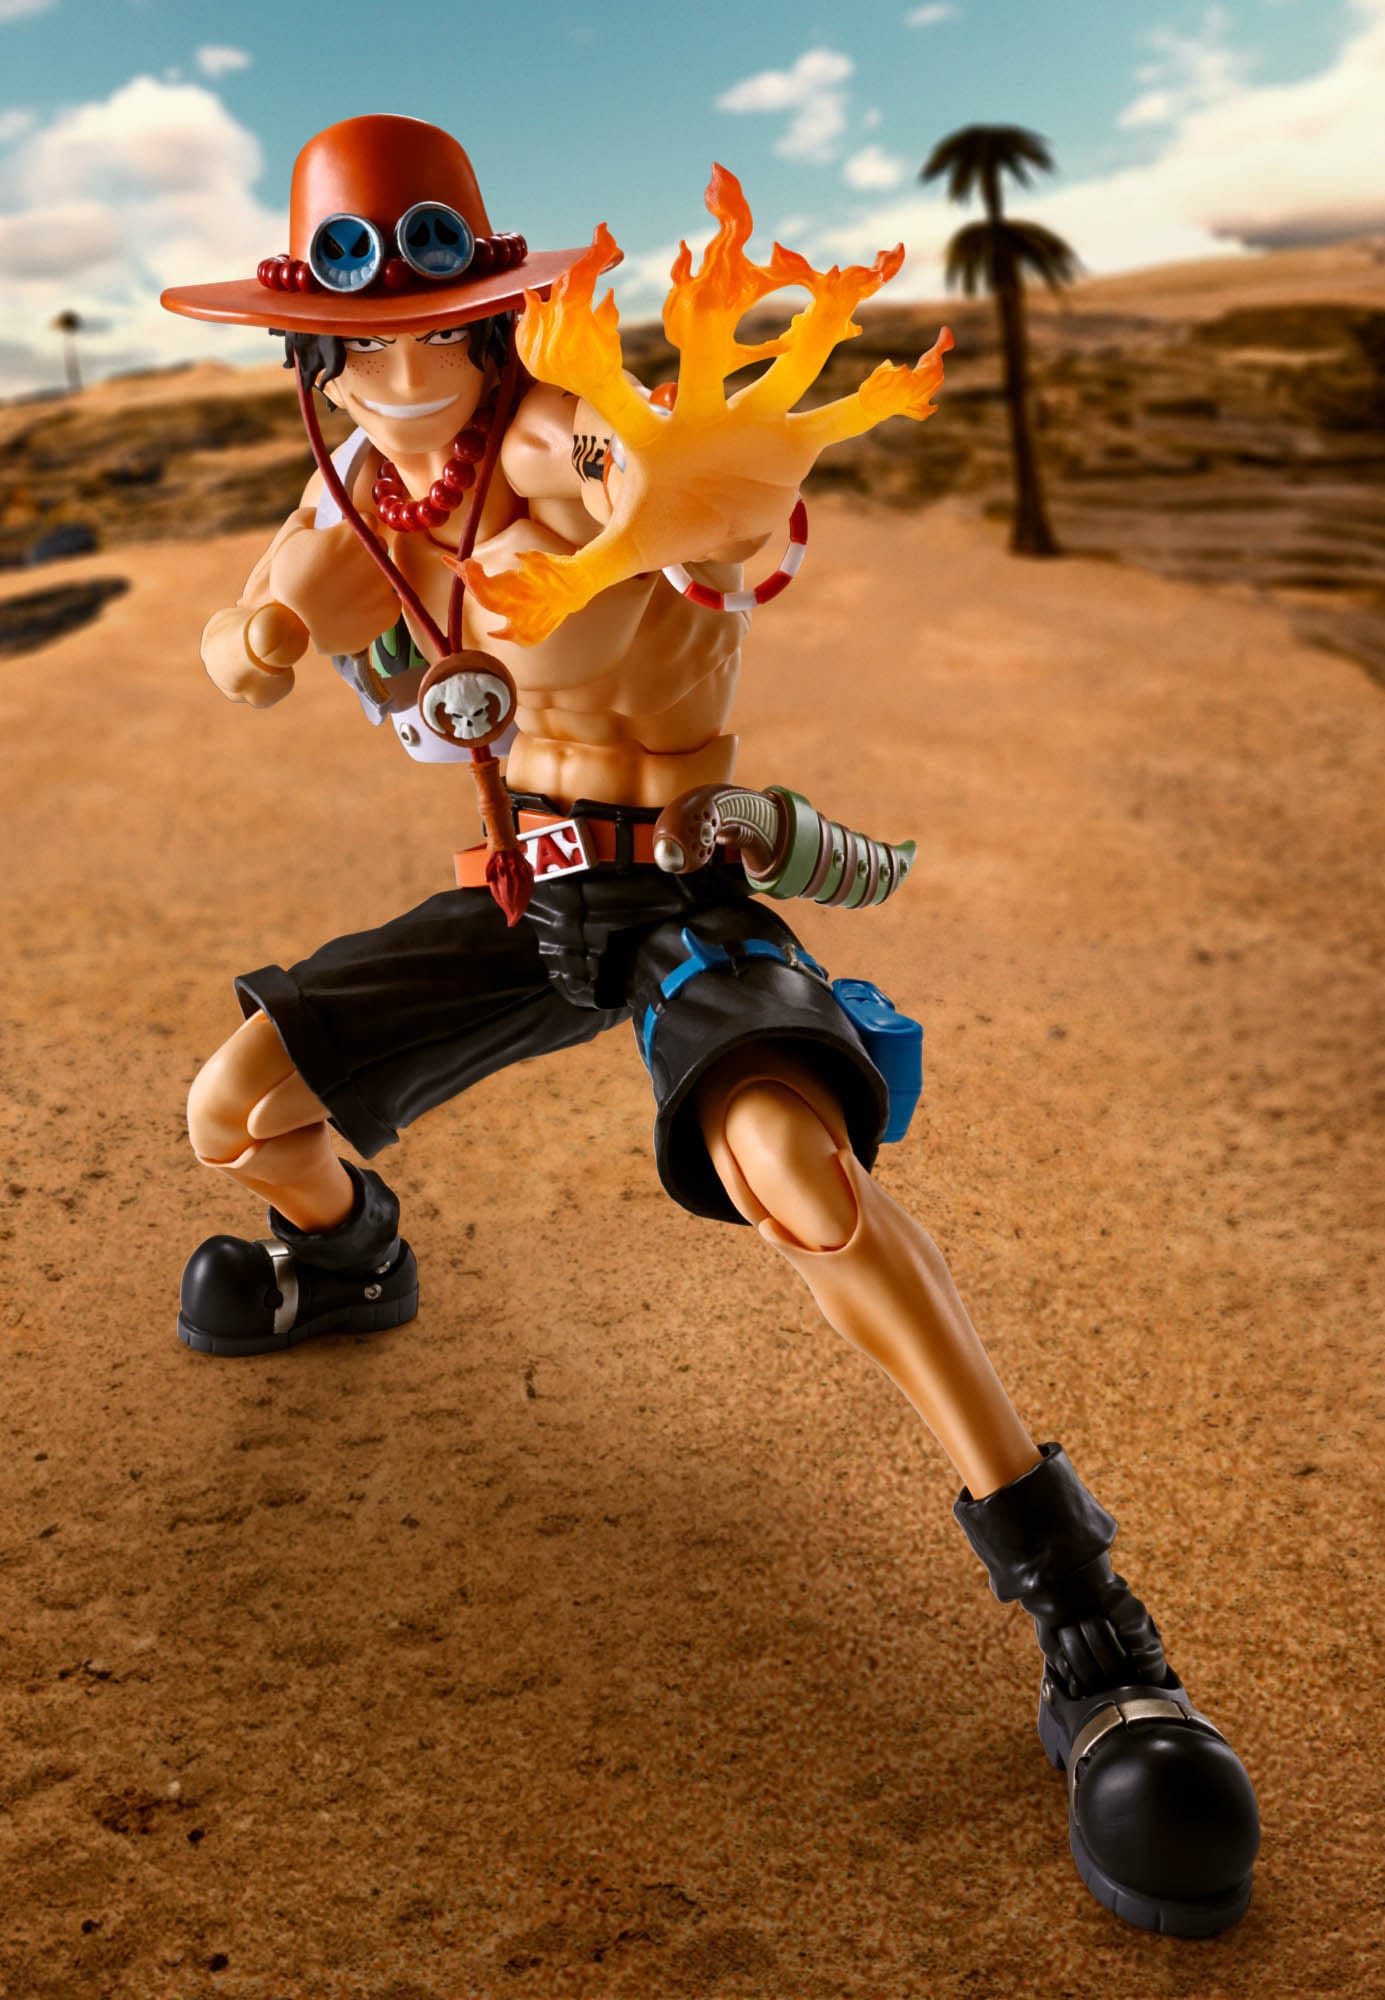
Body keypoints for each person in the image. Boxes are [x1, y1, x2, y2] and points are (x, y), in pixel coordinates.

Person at [160, 113, 1259, 1938]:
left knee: (797, 1179)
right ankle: (349, 1260)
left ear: (487, 307)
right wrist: (259, 638)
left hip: (670, 882)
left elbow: (724, 528)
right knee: (235, 1111)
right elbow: (252, 622)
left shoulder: (563, 443)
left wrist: (683, 502)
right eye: (354, 330)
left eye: (430, 311)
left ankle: (1090, 1628)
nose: (399, 359)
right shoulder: (357, 485)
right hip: (518, 896)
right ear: (312, 345)